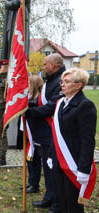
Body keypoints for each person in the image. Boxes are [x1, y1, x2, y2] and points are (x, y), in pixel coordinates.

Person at [50, 68, 97, 212]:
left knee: (73, 205)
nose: (62, 85)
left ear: (78, 85)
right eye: (62, 81)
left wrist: (84, 169)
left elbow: (87, 140)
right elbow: (56, 134)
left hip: (74, 164)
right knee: (62, 201)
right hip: (59, 162)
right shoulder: (61, 103)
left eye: (67, 82)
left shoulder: (85, 106)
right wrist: (52, 156)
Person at [25, 53, 65, 212]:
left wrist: (30, 111)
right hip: (43, 133)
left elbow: (51, 107)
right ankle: (49, 197)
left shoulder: (60, 81)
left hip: (51, 132)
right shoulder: (50, 80)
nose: (43, 67)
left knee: (52, 169)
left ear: (54, 65)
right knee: (47, 168)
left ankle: (57, 202)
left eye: (45, 64)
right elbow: (41, 101)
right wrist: (28, 104)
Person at [24, 75, 44, 193]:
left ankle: (35, 184)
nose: (28, 87)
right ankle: (31, 182)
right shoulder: (29, 97)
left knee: (35, 158)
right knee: (29, 158)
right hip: (28, 131)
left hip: (36, 133)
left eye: (30, 84)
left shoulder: (39, 99)